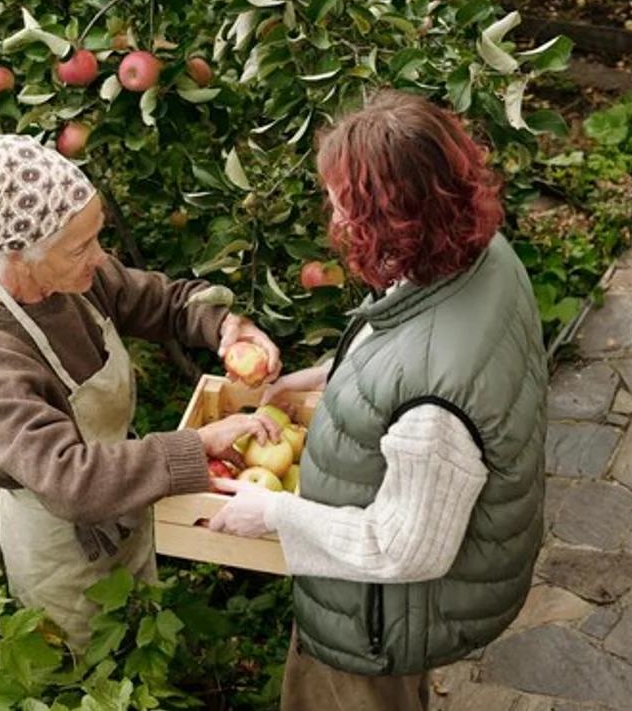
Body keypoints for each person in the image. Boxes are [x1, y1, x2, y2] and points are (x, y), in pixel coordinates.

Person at [208, 90, 548, 711]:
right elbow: (411, 345)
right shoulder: (478, 256)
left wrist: (273, 514)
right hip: (390, 600)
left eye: (345, 208)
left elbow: (405, 548)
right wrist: (319, 380)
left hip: (376, 619)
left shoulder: (434, 411)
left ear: (393, 221)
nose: (335, 222)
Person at [0, 134, 283, 650]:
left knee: (142, 646)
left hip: (127, 502)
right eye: (80, 247)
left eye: (96, 238)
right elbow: (69, 480)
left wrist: (226, 325)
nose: (99, 258)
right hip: (59, 551)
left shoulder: (75, 278)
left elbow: (164, 301)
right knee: (85, 673)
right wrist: (197, 447)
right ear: (20, 254)